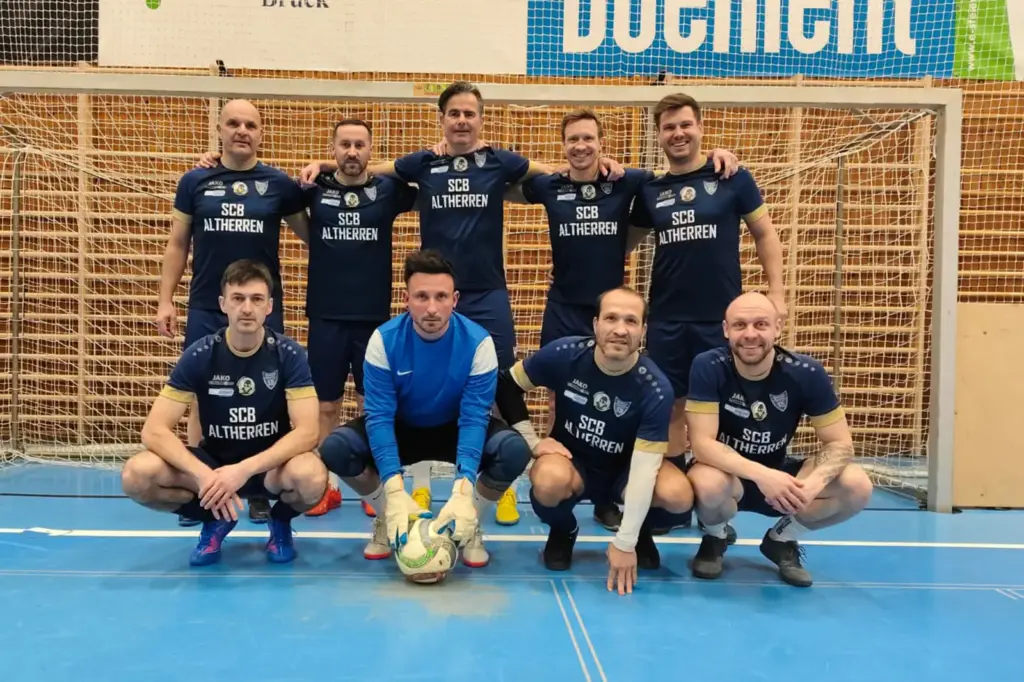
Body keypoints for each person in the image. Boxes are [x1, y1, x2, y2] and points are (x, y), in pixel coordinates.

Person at [629, 92, 786, 538]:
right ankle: (676, 503)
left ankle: (715, 511)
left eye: (685, 125)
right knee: (671, 408)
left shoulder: (731, 177)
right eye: (669, 127)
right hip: (667, 318)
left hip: (720, 319)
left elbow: (765, 233)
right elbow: (624, 243)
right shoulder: (650, 190)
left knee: (716, 412)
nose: (678, 133)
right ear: (659, 135)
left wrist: (777, 293)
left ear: (699, 127)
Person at [318, 249, 533, 569]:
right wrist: (394, 492)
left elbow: (474, 418)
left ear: (455, 300)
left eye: (441, 297)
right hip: (402, 428)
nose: (432, 308)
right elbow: (379, 418)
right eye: (422, 296)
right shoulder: (383, 341)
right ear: (406, 299)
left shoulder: (479, 343)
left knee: (514, 450)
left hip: (455, 428)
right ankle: (389, 516)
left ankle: (469, 523)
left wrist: (463, 491)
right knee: (335, 448)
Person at [160, 99, 310, 525]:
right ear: (220, 130)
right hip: (207, 306)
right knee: (200, 396)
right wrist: (165, 299)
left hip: (259, 309)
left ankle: (260, 488)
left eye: (251, 124)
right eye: (233, 123)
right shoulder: (195, 181)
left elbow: (314, 235)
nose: (242, 130)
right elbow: (177, 244)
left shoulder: (278, 184)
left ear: (261, 133)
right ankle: (204, 485)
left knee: (268, 398)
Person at [121, 259, 327, 566]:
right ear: (223, 304)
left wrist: (244, 470)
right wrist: (203, 475)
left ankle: (280, 521)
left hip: (270, 468)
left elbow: (308, 432)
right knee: (137, 475)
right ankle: (214, 518)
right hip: (215, 465)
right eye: (238, 298)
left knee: (312, 477)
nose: (247, 308)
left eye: (256, 299)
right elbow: (154, 430)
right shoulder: (200, 354)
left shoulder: (289, 354)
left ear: (269, 306)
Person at [493, 286, 694, 594]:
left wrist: (625, 542)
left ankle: (638, 529)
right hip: (573, 464)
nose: (620, 329)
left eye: (631, 321)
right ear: (596, 324)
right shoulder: (565, 353)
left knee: (679, 496)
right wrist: (532, 442)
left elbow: (644, 470)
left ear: (643, 331)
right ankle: (564, 529)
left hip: (626, 471)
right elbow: (507, 384)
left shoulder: (656, 388)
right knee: (547, 481)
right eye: (611, 318)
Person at [684, 292, 873, 587]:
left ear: (778, 328)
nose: (750, 334)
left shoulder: (806, 372)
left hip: (781, 479)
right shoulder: (709, 366)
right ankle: (715, 536)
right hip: (728, 475)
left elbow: (840, 443)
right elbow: (702, 444)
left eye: (760, 324)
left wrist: (812, 485)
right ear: (726, 330)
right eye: (740, 325)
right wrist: (763, 476)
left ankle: (781, 539)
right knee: (707, 483)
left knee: (857, 485)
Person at [299, 118, 418, 518]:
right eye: (344, 145)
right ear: (333, 148)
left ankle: (372, 485)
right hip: (326, 316)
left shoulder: (388, 190)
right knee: (326, 406)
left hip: (373, 319)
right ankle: (328, 486)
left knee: (374, 406)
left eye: (359, 145)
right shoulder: (313, 189)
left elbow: (426, 185)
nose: (352, 152)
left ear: (371, 150)